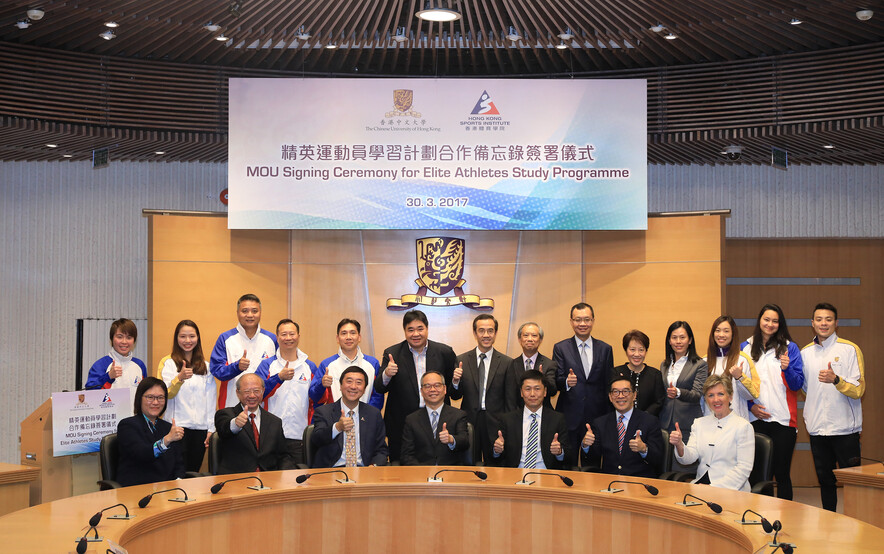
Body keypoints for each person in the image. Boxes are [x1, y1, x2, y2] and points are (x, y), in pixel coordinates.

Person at [801, 302, 865, 511]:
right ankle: (830, 521)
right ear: (812, 323)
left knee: (853, 483)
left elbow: (859, 389)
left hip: (845, 428)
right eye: (819, 319)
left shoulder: (850, 349)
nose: (823, 323)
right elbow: (805, 389)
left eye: (828, 319)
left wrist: (836, 380)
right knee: (825, 481)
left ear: (836, 323)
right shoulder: (805, 352)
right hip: (818, 429)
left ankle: (857, 526)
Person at [374, 310, 456, 462]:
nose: (415, 334)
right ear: (404, 331)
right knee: (402, 470)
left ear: (427, 328)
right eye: (410, 330)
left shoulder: (444, 352)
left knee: (437, 465)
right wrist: (387, 374)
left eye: (420, 329)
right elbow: (379, 387)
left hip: (437, 421)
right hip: (401, 423)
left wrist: (456, 382)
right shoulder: (392, 353)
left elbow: (453, 392)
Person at [742, 303, 804, 500]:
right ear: (759, 321)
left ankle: (787, 518)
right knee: (759, 474)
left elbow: (797, 385)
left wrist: (787, 369)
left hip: (783, 420)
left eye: (775, 321)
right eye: (766, 319)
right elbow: (740, 387)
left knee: (782, 472)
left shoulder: (790, 347)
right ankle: (761, 518)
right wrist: (752, 407)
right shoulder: (746, 347)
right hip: (754, 419)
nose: (770, 324)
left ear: (780, 324)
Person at [553, 302, 614, 466]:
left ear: (593, 320)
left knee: (592, 464)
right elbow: (555, 381)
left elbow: (609, 384)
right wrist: (566, 382)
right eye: (578, 320)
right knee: (567, 463)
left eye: (586, 319)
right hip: (569, 415)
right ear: (571, 321)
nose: (582, 324)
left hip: (597, 416)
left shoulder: (605, 349)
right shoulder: (560, 348)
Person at [449, 314, 515, 463]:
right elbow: (455, 396)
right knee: (469, 464)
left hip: (496, 423)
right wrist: (455, 381)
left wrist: (508, 428)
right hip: (469, 422)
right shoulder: (461, 360)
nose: (486, 335)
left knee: (496, 466)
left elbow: (510, 400)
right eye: (481, 331)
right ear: (475, 333)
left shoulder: (506, 362)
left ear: (496, 333)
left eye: (490, 331)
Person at [671, 374, 755, 491]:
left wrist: (712, 488)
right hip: (700, 487)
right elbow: (688, 459)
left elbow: (743, 468)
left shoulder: (743, 426)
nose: (716, 400)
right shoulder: (699, 423)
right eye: (710, 395)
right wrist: (679, 444)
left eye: (720, 394)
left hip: (731, 490)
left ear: (730, 396)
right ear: (706, 399)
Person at [254, 319, 317, 468]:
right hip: (270, 437)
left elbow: (317, 400)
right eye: (284, 334)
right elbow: (256, 394)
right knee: (270, 480)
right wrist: (278, 378)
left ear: (298, 336)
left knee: (299, 481)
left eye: (292, 334)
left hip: (299, 436)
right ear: (277, 337)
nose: (288, 338)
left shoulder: (310, 366)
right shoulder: (267, 365)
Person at [158, 320, 216, 473]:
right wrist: (179, 378)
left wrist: (211, 428)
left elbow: (210, 400)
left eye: (192, 336)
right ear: (177, 338)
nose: (188, 341)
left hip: (200, 430)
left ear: (198, 338)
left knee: (193, 474)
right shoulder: (168, 363)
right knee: (175, 473)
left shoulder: (206, 366)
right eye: (183, 336)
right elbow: (165, 395)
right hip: (177, 428)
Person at [581, 377, 664, 478]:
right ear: (610, 397)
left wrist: (644, 449)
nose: (620, 396)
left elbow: (658, 459)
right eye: (615, 392)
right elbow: (591, 460)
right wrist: (586, 446)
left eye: (625, 391)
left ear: (634, 395)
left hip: (640, 483)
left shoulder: (650, 421)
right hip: (609, 484)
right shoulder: (600, 423)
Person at [210, 293, 278, 409]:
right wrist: (236, 367)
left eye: (254, 311)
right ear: (237, 313)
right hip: (231, 405)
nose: (250, 315)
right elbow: (216, 370)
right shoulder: (225, 338)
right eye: (245, 311)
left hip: (265, 407)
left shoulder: (272, 339)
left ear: (260, 313)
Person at [311, 366, 388, 468]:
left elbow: (381, 450)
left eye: (359, 383)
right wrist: (337, 427)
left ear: (364, 389)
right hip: (331, 472)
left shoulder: (373, 414)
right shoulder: (324, 412)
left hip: (364, 472)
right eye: (349, 381)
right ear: (340, 386)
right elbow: (316, 440)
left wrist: (374, 466)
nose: (353, 386)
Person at [493, 370, 571, 470]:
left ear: (545, 392)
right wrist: (497, 451)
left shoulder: (557, 419)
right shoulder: (507, 420)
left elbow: (569, 456)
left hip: (546, 476)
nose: (532, 394)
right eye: (528, 389)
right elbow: (496, 458)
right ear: (521, 392)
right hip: (515, 476)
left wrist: (560, 452)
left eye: (537, 389)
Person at [115, 377, 185, 487]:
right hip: (138, 489)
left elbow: (179, 465)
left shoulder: (168, 427)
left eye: (160, 398)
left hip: (168, 492)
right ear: (139, 398)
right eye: (150, 397)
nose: (156, 402)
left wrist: (178, 482)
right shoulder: (127, 426)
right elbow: (142, 454)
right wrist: (166, 440)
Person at [214, 373, 286, 474]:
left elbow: (283, 456)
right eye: (247, 391)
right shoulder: (225, 414)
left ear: (263, 391)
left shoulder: (275, 422)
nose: (252, 395)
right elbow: (223, 430)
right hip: (236, 479)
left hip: (268, 480)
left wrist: (288, 476)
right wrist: (235, 424)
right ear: (238, 393)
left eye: (256, 391)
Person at [401, 371, 470, 466]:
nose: (432, 389)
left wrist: (451, 439)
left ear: (445, 389)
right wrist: (421, 472)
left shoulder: (458, 415)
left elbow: (465, 442)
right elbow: (407, 455)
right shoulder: (412, 420)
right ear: (421, 391)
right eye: (427, 386)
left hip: (451, 473)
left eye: (437, 385)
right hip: (422, 474)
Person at [311, 318, 383, 410]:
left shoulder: (373, 363)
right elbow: (314, 397)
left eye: (353, 333)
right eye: (344, 333)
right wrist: (321, 384)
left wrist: (368, 416)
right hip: (335, 420)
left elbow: (378, 395)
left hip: (365, 419)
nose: (348, 337)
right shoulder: (327, 364)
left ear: (359, 337)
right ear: (338, 338)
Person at [658, 321, 708, 445]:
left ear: (690, 340)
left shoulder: (700, 364)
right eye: (674, 337)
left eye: (682, 337)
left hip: (687, 422)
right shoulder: (664, 365)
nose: (678, 341)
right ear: (669, 341)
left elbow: (697, 394)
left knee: (684, 461)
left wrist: (678, 392)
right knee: (665, 462)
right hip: (665, 422)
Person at [703, 316, 759, 421]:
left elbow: (752, 394)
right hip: (709, 422)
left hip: (737, 422)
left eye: (726, 331)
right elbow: (701, 399)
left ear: (733, 334)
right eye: (718, 331)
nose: (721, 335)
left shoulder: (743, 359)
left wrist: (740, 378)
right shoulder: (704, 361)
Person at [610, 330, 665, 417]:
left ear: (646, 351)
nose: (637, 354)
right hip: (620, 421)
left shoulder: (655, 374)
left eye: (641, 350)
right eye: (632, 350)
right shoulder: (616, 372)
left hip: (647, 422)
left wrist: (642, 417)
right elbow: (611, 398)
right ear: (626, 350)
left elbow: (658, 402)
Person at [85, 318, 147, 393]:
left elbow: (145, 394)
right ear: (112, 339)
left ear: (134, 340)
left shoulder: (140, 365)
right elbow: (89, 393)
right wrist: (108, 377)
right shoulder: (101, 365)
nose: (124, 342)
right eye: (119, 337)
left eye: (129, 337)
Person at [509, 322, 558, 408]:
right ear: (520, 339)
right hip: (517, 414)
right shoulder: (511, 364)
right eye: (526, 335)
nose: (530, 339)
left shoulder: (549, 364)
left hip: (542, 415)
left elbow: (553, 391)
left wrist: (543, 379)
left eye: (534, 335)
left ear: (541, 340)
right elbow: (509, 395)